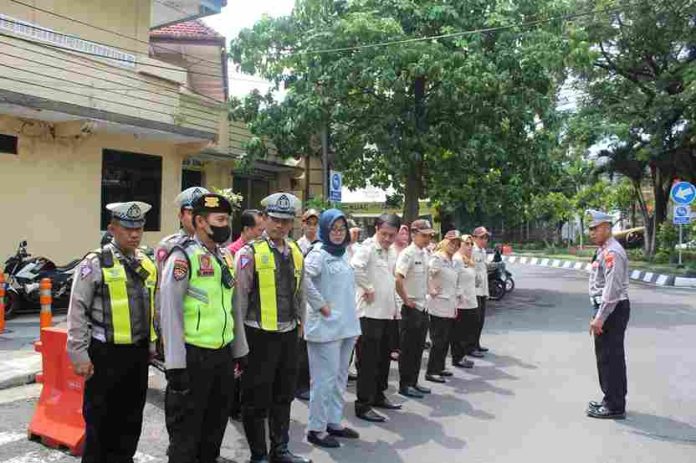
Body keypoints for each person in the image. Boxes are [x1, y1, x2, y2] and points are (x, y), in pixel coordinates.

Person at [159, 193, 248, 463]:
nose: (225, 225)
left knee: (214, 431)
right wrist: (175, 365)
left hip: (221, 357)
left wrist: (240, 349)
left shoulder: (224, 258)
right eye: (219, 219)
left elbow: (233, 308)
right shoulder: (183, 257)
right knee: (186, 436)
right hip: (192, 358)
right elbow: (170, 312)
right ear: (199, 221)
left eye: (227, 219)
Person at [67, 201, 157, 463]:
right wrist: (78, 354)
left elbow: (152, 308)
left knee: (131, 420)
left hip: (137, 354)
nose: (135, 234)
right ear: (112, 229)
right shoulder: (94, 263)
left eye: (139, 228)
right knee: (100, 423)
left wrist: (152, 344)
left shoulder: (146, 263)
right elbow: (77, 309)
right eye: (128, 228)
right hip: (105, 355)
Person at [235, 193, 311, 463]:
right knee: (256, 399)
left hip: (288, 334)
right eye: (275, 219)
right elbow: (240, 300)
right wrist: (240, 344)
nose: (280, 226)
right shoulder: (249, 254)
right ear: (264, 219)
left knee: (283, 395)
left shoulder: (295, 251)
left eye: (286, 221)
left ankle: (280, 449)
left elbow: (301, 293)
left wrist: (301, 326)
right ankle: (259, 454)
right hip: (259, 336)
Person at [303, 209, 362, 448]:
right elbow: (303, 280)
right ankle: (316, 428)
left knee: (339, 378)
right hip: (325, 327)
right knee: (323, 381)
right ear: (324, 231)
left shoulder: (343, 253)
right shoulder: (318, 254)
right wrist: (321, 306)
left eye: (342, 229)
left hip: (346, 326)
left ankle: (333, 422)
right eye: (333, 229)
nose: (338, 234)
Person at [352, 214, 403, 422]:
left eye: (392, 235)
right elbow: (355, 267)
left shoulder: (391, 251)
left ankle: (379, 395)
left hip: (387, 314)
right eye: (384, 234)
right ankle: (363, 404)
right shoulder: (367, 248)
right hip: (369, 314)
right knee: (368, 362)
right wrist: (368, 287)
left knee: (383, 360)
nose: (388, 239)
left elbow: (391, 280)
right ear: (376, 229)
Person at [586, 210, 630, 420]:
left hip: (612, 310)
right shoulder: (604, 250)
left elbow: (612, 290)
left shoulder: (613, 252)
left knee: (611, 358)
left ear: (606, 227)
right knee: (605, 357)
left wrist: (600, 317)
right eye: (590, 229)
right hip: (607, 309)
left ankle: (615, 405)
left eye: (594, 228)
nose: (591, 232)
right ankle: (609, 399)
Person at [226, 209, 265, 419]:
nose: (262, 232)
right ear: (247, 230)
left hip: (255, 319)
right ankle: (234, 406)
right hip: (239, 317)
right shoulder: (233, 252)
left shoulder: (262, 250)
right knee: (238, 366)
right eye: (259, 229)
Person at [395, 219, 435, 399]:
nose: (427, 239)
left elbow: (426, 277)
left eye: (429, 235)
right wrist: (406, 300)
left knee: (418, 348)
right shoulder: (407, 254)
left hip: (423, 307)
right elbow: (398, 280)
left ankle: (414, 381)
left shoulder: (424, 253)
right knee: (408, 350)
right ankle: (405, 384)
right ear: (413, 234)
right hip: (411, 308)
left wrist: (430, 290)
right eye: (424, 235)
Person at [425, 230, 462, 384]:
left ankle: (440, 367)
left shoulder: (453, 260)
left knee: (445, 338)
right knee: (438, 339)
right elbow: (428, 274)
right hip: (438, 303)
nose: (454, 245)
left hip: (449, 304)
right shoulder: (437, 258)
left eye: (457, 243)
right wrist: (431, 289)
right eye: (451, 242)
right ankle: (432, 371)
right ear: (445, 242)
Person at [295, 209, 320, 401]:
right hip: (302, 301)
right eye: (308, 223)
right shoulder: (296, 246)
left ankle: (313, 381)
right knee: (302, 346)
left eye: (315, 224)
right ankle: (300, 384)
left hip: (318, 301)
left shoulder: (323, 247)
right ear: (302, 224)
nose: (312, 227)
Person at [155, 187, 210, 269]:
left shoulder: (215, 246)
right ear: (180, 215)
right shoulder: (169, 246)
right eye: (191, 213)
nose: (198, 217)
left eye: (203, 213)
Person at [450, 235, 479, 369]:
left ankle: (462, 355)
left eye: (471, 244)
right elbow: (453, 280)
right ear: (460, 244)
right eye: (466, 243)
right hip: (461, 302)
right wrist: (458, 295)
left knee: (467, 329)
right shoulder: (456, 259)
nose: (469, 246)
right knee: (459, 331)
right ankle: (457, 357)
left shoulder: (468, 260)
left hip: (470, 300)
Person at [471, 226, 491, 357]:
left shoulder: (483, 252)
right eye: (482, 237)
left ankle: (476, 343)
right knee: (474, 320)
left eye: (486, 238)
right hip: (474, 291)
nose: (485, 240)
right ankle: (470, 346)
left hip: (482, 290)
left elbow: (483, 272)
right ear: (474, 238)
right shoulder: (472, 251)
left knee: (481, 320)